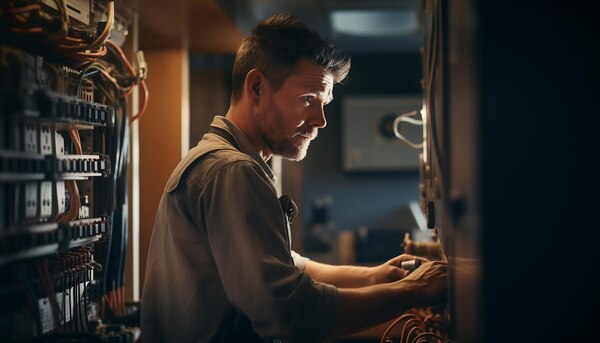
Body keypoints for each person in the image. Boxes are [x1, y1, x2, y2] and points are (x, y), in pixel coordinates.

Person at [140, 13, 447, 343]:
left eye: (324, 102)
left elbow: (283, 263)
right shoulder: (232, 171)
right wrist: (413, 290)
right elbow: (288, 313)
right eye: (307, 99)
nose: (320, 120)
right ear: (257, 87)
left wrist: (374, 277)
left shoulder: (220, 159)